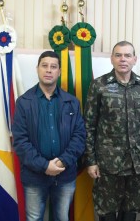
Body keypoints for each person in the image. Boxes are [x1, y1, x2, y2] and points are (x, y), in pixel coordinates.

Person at [84, 41, 140, 221]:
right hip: (108, 163)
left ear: (134, 59)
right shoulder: (99, 85)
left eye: (127, 55)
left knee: (131, 210)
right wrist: (91, 160)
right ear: (112, 59)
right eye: (118, 55)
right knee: (107, 211)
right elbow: (89, 125)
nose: (123, 59)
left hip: (136, 162)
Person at [12, 51, 86, 221]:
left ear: (59, 71)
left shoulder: (71, 102)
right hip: (34, 176)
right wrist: (44, 165)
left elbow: (79, 136)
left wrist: (62, 161)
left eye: (53, 67)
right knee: (34, 217)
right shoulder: (24, 102)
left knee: (61, 217)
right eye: (44, 66)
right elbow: (20, 141)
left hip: (65, 174)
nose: (49, 70)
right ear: (37, 69)